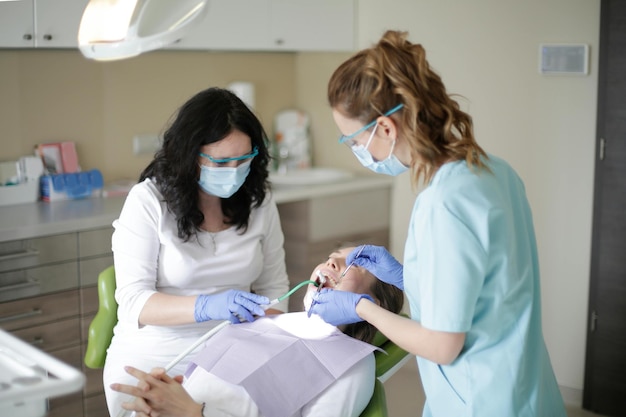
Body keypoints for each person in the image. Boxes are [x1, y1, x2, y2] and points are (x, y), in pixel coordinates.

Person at [308, 30, 567, 416]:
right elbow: (484, 290)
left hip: (482, 401)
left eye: (352, 140)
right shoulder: (495, 171)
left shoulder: (443, 204)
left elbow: (443, 345)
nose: (356, 151)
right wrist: (404, 275)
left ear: (385, 128)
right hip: (526, 388)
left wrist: (361, 307)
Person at [103, 87, 290, 415]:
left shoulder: (260, 203)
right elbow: (134, 301)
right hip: (156, 351)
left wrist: (269, 337)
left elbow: (275, 289)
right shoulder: (148, 202)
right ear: (189, 155)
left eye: (243, 159)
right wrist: (207, 306)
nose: (234, 171)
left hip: (235, 347)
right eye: (221, 161)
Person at [109, 247, 404, 417]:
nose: (332, 263)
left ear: (373, 303)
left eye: (355, 264)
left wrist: (193, 413)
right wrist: (165, 396)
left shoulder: (353, 365)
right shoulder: (263, 322)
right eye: (332, 256)